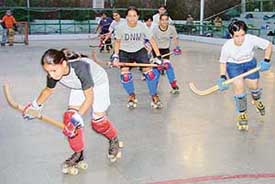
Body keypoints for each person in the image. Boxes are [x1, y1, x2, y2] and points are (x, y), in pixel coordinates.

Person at [22, 49, 123, 175]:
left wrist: (76, 120)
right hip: (79, 86)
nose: (51, 75)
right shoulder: (54, 73)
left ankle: (114, 139)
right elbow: (48, 90)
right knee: (69, 118)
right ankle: (78, 153)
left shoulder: (81, 68)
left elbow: (89, 98)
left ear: (64, 64)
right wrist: (35, 106)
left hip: (98, 83)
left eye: (54, 71)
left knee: (98, 123)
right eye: (48, 71)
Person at [217, 20, 272, 131]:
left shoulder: (250, 39)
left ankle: (256, 100)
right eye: (237, 36)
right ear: (231, 35)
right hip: (234, 66)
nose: (240, 38)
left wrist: (266, 60)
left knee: (254, 86)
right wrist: (222, 76)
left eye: (242, 35)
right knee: (239, 87)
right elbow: (223, 62)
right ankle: (242, 113)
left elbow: (268, 45)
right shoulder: (227, 46)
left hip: (250, 63)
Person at [112, 6, 163, 109]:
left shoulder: (142, 26)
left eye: (134, 16)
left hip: (139, 50)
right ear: (126, 17)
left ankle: (154, 95)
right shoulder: (120, 27)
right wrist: (116, 56)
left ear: (138, 17)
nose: (132, 18)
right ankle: (131, 95)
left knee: (150, 74)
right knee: (125, 76)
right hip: (124, 52)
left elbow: (152, 40)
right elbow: (117, 42)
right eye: (129, 16)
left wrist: (158, 56)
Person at [152, 13, 182, 94]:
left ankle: (174, 86)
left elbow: (175, 38)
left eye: (166, 20)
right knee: (157, 68)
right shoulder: (155, 29)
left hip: (165, 50)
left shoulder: (171, 28)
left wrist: (177, 47)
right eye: (162, 20)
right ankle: (153, 86)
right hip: (156, 50)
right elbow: (152, 40)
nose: (164, 22)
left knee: (167, 66)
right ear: (160, 21)